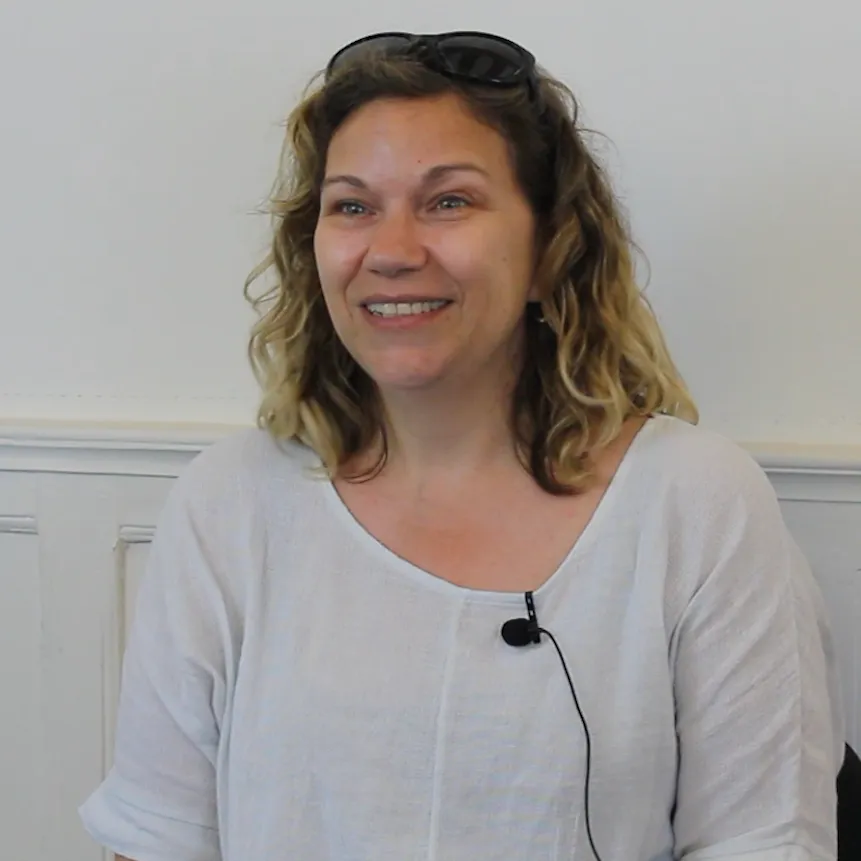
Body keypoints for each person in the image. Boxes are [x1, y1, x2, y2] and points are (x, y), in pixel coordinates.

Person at [79, 31, 845, 861]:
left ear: (550, 248)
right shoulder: (227, 502)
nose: (393, 251)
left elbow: (764, 842)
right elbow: (153, 840)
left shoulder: (697, 503)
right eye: (352, 205)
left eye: (449, 201)